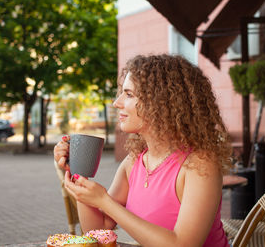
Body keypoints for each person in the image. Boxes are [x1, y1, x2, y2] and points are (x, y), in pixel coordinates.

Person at [54, 54, 232, 247]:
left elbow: (182, 244)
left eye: (129, 94)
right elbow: (97, 232)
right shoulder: (134, 163)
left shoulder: (199, 164)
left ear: (161, 102)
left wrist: (105, 202)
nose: (117, 102)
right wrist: (79, 175)